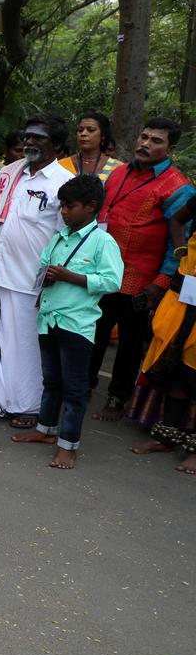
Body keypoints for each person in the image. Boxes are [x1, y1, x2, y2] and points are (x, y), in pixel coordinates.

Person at [10, 174, 123, 469]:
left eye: (70, 206)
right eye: (62, 206)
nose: (63, 211)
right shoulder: (59, 238)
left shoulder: (102, 242)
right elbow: (43, 265)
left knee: (74, 389)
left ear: (91, 207)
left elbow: (112, 281)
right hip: (48, 318)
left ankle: (68, 445)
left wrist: (70, 276)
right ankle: (45, 429)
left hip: (77, 324)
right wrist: (46, 275)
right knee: (51, 380)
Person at [88, 118, 193, 421]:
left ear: (170, 148)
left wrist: (159, 283)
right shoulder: (118, 172)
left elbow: (179, 243)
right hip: (101, 271)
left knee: (130, 344)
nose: (146, 144)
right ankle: (85, 385)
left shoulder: (178, 187)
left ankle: (117, 398)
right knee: (92, 331)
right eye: (144, 136)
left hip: (139, 279)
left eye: (156, 140)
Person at [0, 114, 73, 426]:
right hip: (1, 271)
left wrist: (53, 281)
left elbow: (66, 238)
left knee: (28, 345)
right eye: (27, 136)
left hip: (33, 278)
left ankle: (29, 406)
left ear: (56, 145)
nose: (29, 142)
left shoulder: (63, 183)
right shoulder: (9, 173)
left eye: (38, 138)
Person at [128, 194, 196, 474]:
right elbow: (178, 219)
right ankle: (166, 437)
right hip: (183, 296)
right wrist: (181, 249)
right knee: (174, 367)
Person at [60, 112, 119, 180]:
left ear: (103, 135)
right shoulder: (61, 165)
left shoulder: (117, 168)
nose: (83, 134)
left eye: (91, 130)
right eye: (80, 130)